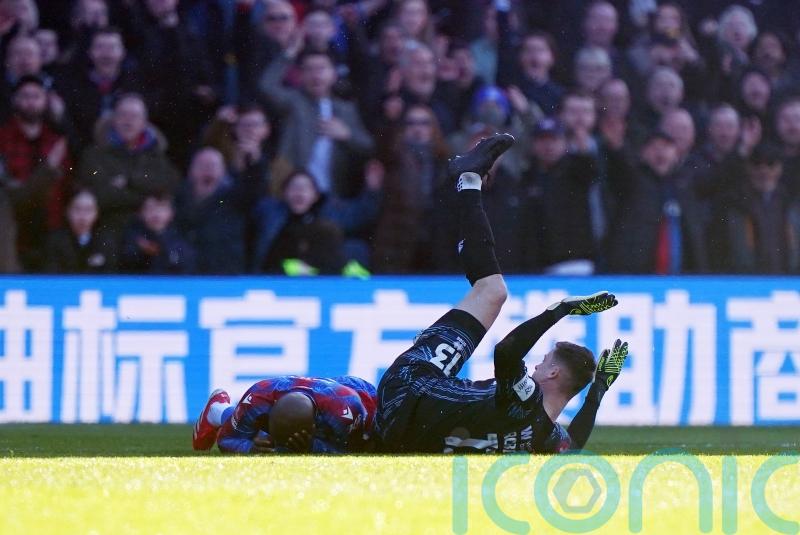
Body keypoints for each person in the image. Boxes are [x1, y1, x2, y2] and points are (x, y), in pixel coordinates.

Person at [375, 133, 629, 453]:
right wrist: (599, 390)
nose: (536, 367)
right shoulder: (545, 440)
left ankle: (468, 180)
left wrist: (559, 310)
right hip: (401, 438)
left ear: (553, 373)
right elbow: (574, 440)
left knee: (492, 291)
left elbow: (506, 352)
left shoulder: (526, 400)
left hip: (409, 388)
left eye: (543, 362)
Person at [191, 375, 377, 454]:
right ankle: (218, 409)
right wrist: (251, 449)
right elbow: (226, 440)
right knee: (252, 430)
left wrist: (313, 446)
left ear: (313, 426)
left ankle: (219, 411)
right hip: (321, 393)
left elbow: (355, 450)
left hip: (362, 395)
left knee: (379, 444)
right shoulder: (258, 397)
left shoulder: (345, 413)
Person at [119, 192, 195, 274]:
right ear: (140, 213)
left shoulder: (182, 237)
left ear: (172, 212)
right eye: (149, 208)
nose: (155, 213)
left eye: (161, 208)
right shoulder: (133, 237)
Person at [45, 188, 116, 273]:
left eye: (88, 210)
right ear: (68, 211)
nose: (82, 217)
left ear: (96, 213)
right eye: (77, 209)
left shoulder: (106, 241)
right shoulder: (55, 240)